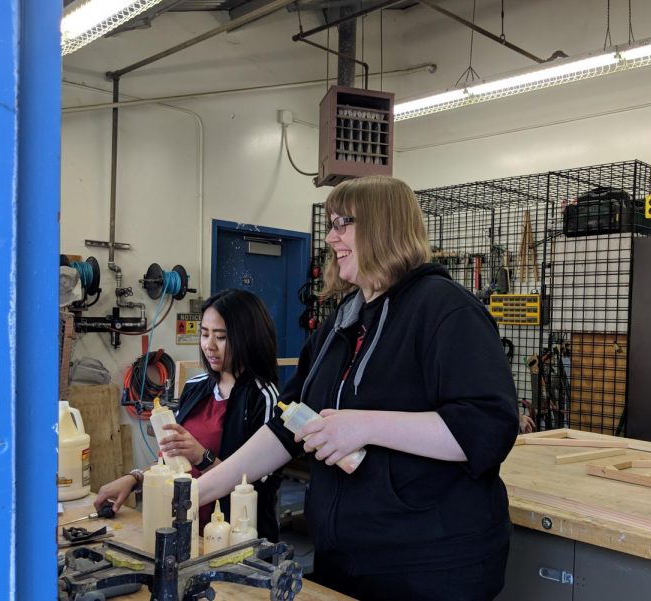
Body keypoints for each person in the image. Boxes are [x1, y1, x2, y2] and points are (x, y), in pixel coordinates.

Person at [198, 176, 518, 600]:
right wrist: (195, 491)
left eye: (342, 223)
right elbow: (288, 424)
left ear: (383, 225)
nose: (331, 238)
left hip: (430, 567)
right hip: (346, 558)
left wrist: (364, 426)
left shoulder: (447, 310)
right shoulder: (343, 322)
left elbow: (487, 428)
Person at [94, 289, 282, 542]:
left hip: (232, 538)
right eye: (204, 334)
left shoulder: (264, 396)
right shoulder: (196, 386)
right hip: (185, 526)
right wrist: (135, 478)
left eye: (221, 337)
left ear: (248, 338)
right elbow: (171, 458)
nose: (209, 345)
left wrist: (200, 456)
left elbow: (256, 487)